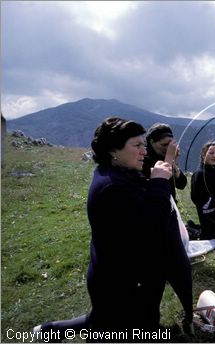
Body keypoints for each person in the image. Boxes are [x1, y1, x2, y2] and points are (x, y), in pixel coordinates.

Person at [34, 117, 193, 341]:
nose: (143, 151)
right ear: (113, 150)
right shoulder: (112, 186)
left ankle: (50, 330)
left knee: (104, 320)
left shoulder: (119, 173)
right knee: (124, 327)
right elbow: (153, 228)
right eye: (137, 145)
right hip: (124, 282)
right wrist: (158, 181)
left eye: (143, 145)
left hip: (120, 273)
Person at [190, 142, 215, 240]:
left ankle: (193, 227)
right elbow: (196, 197)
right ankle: (190, 229)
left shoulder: (214, 169)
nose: (214, 156)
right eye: (211, 153)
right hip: (208, 211)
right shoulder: (199, 174)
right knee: (209, 236)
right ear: (203, 154)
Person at [142, 123, 187, 203]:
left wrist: (175, 165)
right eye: (164, 145)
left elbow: (181, 184)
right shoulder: (142, 159)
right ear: (152, 142)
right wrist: (169, 157)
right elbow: (160, 184)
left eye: (169, 145)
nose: (167, 148)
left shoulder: (163, 156)